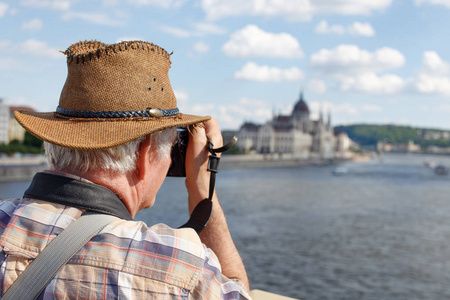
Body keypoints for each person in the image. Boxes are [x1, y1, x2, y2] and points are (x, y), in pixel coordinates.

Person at [0, 40, 250, 299]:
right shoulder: (179, 267)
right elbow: (239, 292)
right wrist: (203, 191)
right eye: (172, 147)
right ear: (145, 152)